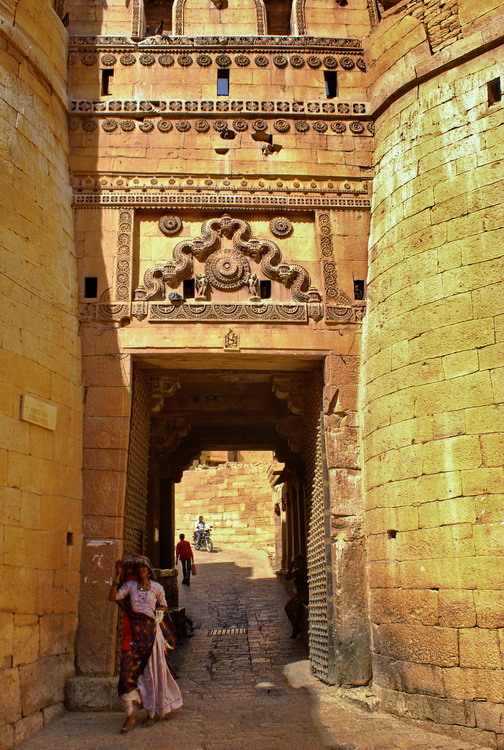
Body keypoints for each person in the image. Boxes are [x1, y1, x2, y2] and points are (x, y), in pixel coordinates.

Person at [109, 555, 183, 733]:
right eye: (138, 568)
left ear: (148, 570)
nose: (141, 570)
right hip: (133, 636)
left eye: (144, 567)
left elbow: (163, 605)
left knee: (151, 674)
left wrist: (160, 609)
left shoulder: (157, 588)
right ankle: (130, 716)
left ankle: (151, 713)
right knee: (126, 675)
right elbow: (113, 597)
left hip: (151, 636)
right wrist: (117, 575)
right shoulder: (130, 587)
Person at [284, 554, 308, 639]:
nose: (298, 563)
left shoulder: (307, 571)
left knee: (290, 607)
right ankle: (296, 627)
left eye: (299, 561)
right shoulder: (298, 571)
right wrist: (290, 567)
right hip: (300, 596)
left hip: (305, 596)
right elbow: (287, 578)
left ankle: (296, 628)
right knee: (288, 607)